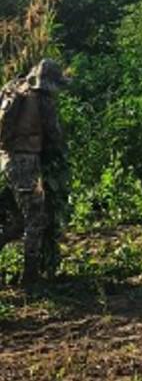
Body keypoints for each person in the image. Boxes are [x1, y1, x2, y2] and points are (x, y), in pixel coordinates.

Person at [0, 59, 70, 284]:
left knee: (17, 220)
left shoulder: (14, 89)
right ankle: (30, 276)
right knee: (36, 217)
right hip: (26, 161)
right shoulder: (42, 100)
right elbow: (54, 135)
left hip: (6, 159)